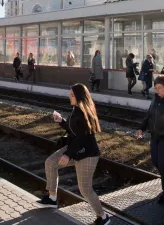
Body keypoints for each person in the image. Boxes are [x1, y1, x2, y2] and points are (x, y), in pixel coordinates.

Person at [38, 84, 111, 225]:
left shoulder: (85, 113)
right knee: (50, 162)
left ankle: (103, 217)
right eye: (70, 94)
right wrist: (62, 122)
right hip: (75, 150)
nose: (69, 97)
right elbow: (74, 130)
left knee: (85, 190)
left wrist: (68, 155)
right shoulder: (76, 109)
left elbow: (82, 138)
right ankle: (52, 198)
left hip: (87, 155)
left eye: (72, 95)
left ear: (79, 97)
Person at [136, 75, 164, 204]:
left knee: (163, 163)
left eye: (160, 88)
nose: (157, 90)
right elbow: (149, 115)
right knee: (155, 161)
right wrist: (141, 129)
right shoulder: (155, 99)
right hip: (155, 135)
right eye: (156, 88)